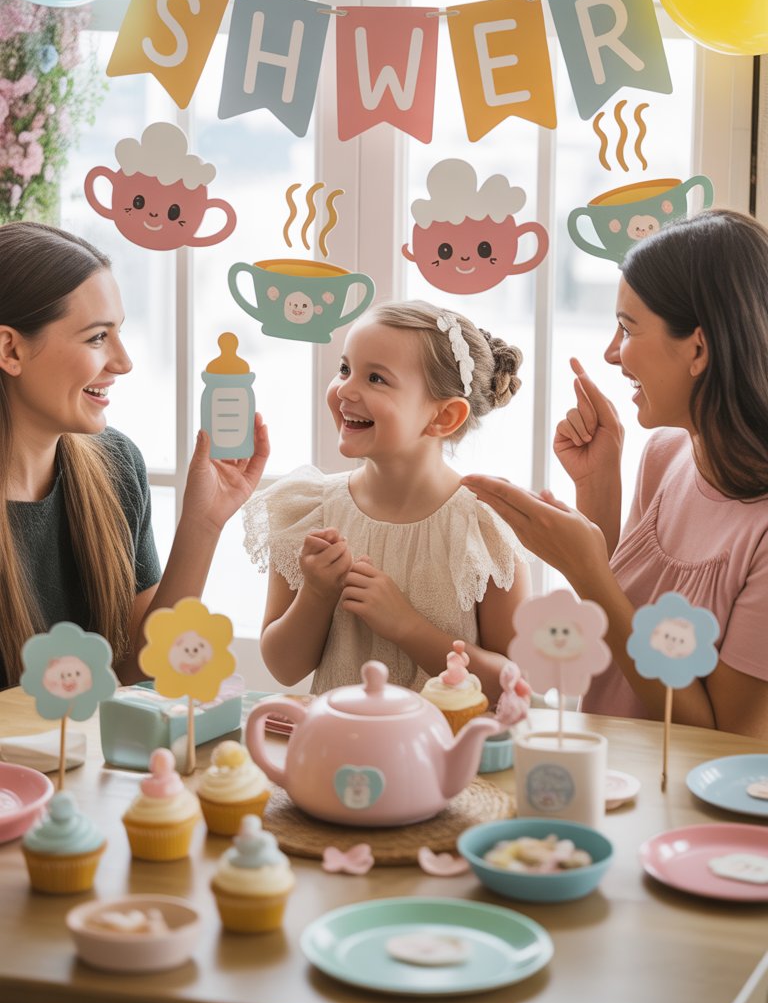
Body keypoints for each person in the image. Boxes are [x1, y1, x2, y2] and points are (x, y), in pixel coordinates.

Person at [464, 209, 768, 738]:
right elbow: (619, 644)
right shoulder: (665, 454)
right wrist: (598, 488)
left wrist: (585, 571)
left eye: (627, 328)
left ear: (699, 348)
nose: (610, 353)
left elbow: (721, 740)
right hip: (610, 767)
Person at [0, 221, 269, 691]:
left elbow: (134, 674)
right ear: (10, 349)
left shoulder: (115, 464)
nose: (124, 362)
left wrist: (202, 525)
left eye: (119, 332)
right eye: (97, 337)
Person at [245, 300, 531, 702]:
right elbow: (283, 667)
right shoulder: (309, 510)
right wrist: (316, 594)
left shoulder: (482, 529)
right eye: (345, 369)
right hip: (339, 751)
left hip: (446, 758)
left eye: (376, 378)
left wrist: (408, 628)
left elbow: (512, 688)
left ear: (444, 417)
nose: (345, 389)